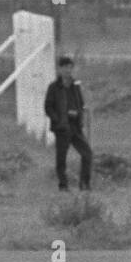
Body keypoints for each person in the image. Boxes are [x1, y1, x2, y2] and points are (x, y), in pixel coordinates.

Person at [43, 55, 92, 191]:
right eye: (65, 68)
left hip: (75, 126)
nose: (68, 70)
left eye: (70, 68)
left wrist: (78, 112)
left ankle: (85, 184)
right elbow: (48, 107)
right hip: (62, 128)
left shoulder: (75, 86)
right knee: (61, 158)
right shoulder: (53, 87)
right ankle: (63, 185)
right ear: (60, 69)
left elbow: (80, 103)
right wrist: (57, 119)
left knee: (87, 153)